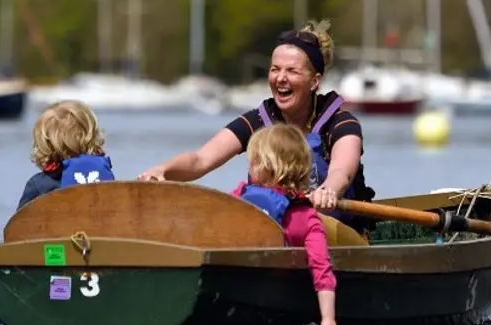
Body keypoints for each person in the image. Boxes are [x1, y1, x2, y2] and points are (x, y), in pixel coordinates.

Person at [137, 19, 376, 233]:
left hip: (334, 233)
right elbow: (201, 160)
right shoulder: (259, 120)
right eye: (275, 69)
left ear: (314, 81)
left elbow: (341, 172)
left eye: (292, 71)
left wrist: (328, 191)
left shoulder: (341, 123)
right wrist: (163, 170)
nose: (280, 78)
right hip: (271, 232)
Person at [235, 122, 341, 325]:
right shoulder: (307, 217)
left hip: (244, 288)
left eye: (253, 162)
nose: (249, 167)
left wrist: (329, 319)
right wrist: (328, 320)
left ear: (267, 166)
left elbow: (320, 266)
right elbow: (322, 269)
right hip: (261, 290)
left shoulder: (240, 197)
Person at [17, 100, 116, 210]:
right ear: (93, 136)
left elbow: (18, 224)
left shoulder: (38, 185)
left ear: (44, 144)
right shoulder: (106, 179)